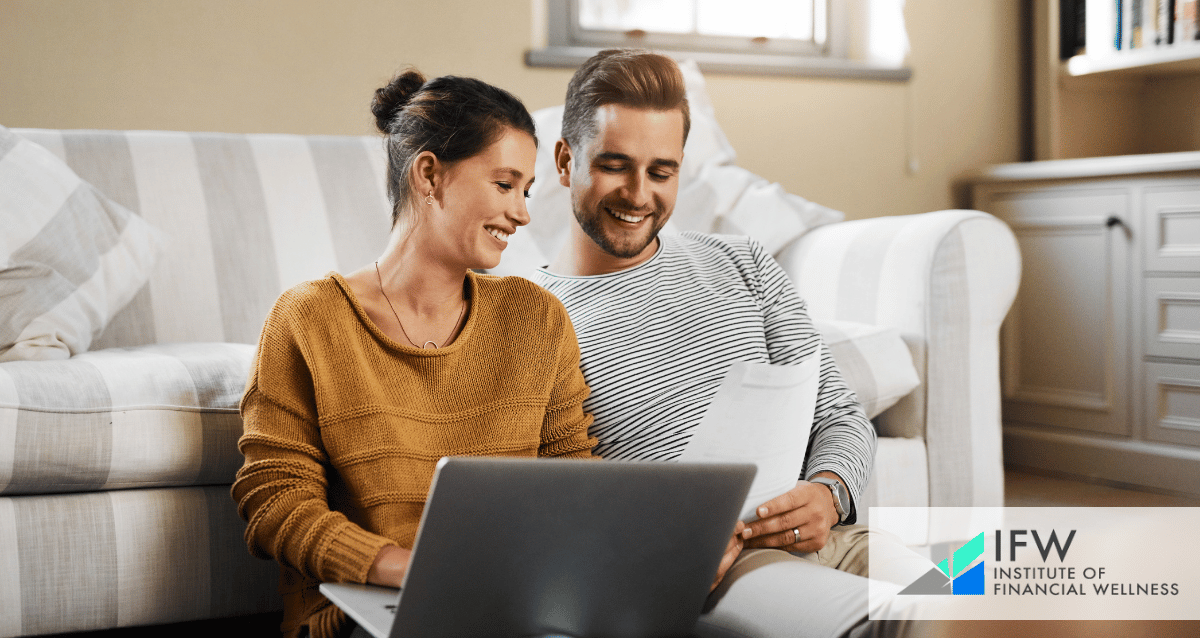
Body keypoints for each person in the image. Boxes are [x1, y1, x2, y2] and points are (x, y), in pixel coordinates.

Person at [532, 49, 934, 637]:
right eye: (616, 165)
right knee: (903, 626)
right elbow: (545, 503)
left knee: (1014, 598)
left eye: (662, 171)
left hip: (839, 541)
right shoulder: (530, 316)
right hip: (725, 574)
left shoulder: (741, 261)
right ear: (566, 161)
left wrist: (828, 492)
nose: (639, 195)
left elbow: (841, 417)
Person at [232, 69, 596, 638]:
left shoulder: (537, 318)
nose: (523, 214)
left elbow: (577, 481)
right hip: (369, 612)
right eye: (505, 185)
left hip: (515, 606)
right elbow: (275, 501)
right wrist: (406, 569)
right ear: (429, 174)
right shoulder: (308, 319)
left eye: (527, 191)